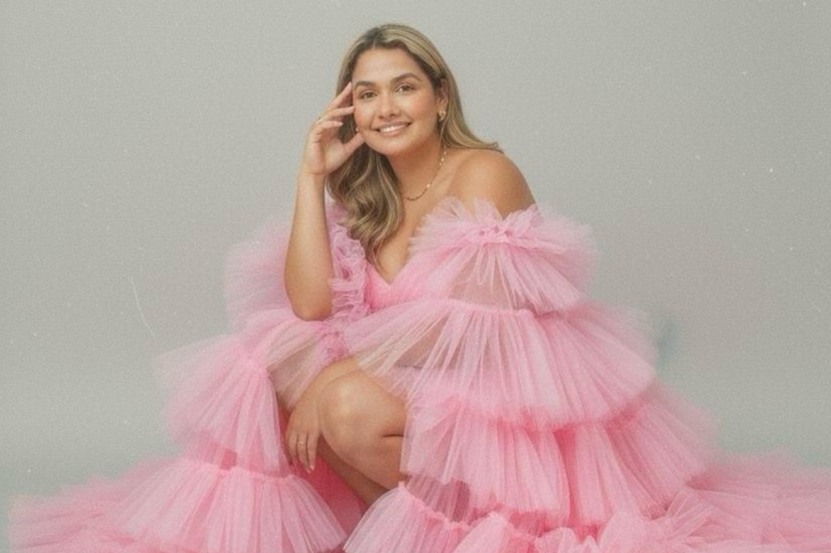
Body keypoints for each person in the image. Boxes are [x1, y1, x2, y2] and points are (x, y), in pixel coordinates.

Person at [9, 23, 831, 553]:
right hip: (421, 396)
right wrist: (308, 177)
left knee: (338, 400)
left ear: (439, 98)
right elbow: (308, 305)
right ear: (350, 113)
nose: (385, 107)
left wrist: (334, 378)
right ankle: (409, 532)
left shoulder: (484, 172)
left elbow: (475, 332)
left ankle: (459, 533)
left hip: (500, 399)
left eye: (403, 86)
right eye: (365, 93)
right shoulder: (364, 194)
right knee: (267, 370)